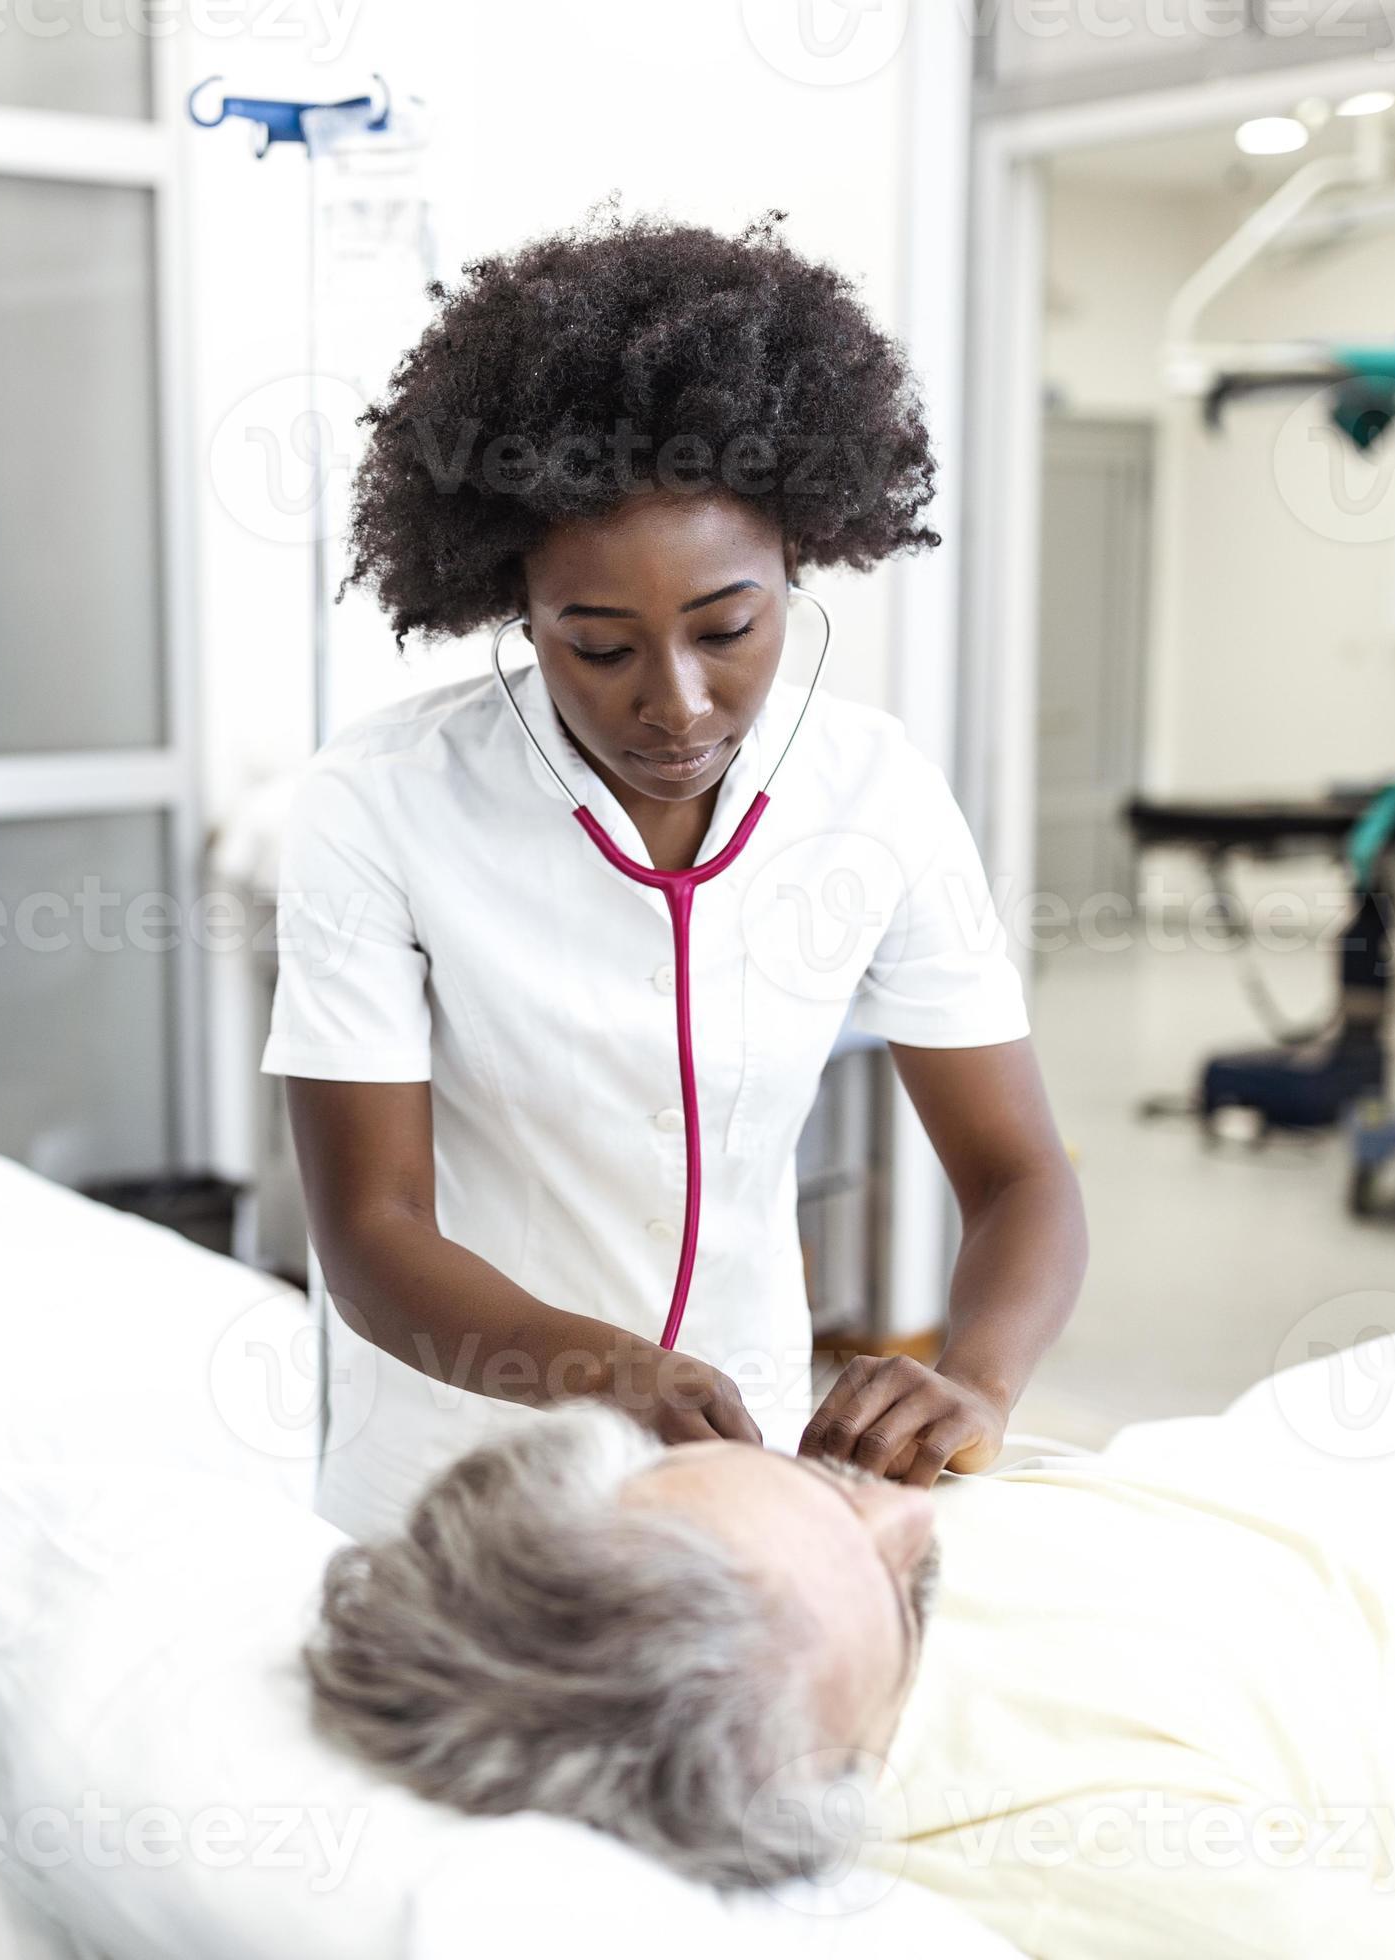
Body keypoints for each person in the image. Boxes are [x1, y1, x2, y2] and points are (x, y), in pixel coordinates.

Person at [303, 1272, 1395, 1959]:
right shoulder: (1075, 1856)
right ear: (819, 1776)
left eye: (817, 1484)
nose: (910, 1501)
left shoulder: (763, 1602)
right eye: (896, 1583)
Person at [266, 211, 1086, 1541]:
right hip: (453, 1472)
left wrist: (974, 1380)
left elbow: (1020, 1175)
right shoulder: (382, 802)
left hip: (746, 1451)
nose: (678, 703)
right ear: (511, 604)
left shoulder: (875, 793)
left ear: (798, 562)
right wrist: (600, 1375)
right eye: (597, 645)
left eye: (729, 628)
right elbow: (370, 1234)